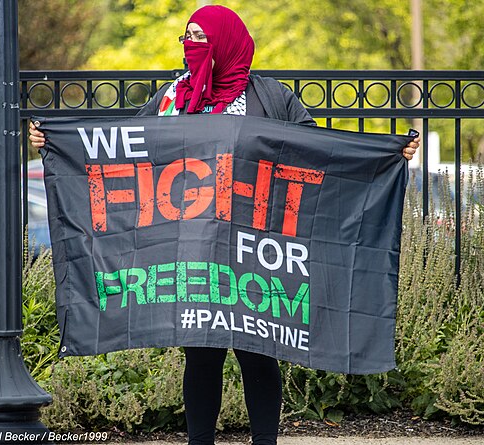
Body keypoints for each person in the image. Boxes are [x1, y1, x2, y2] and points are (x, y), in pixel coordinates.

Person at [30, 5, 419, 445]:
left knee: (258, 353)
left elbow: (317, 152)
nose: (191, 46)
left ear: (227, 41)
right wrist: (58, 141)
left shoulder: (270, 97)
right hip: (193, 247)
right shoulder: (172, 98)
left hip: (256, 247)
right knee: (201, 353)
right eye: (187, 37)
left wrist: (384, 155)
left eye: (201, 37)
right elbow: (125, 152)